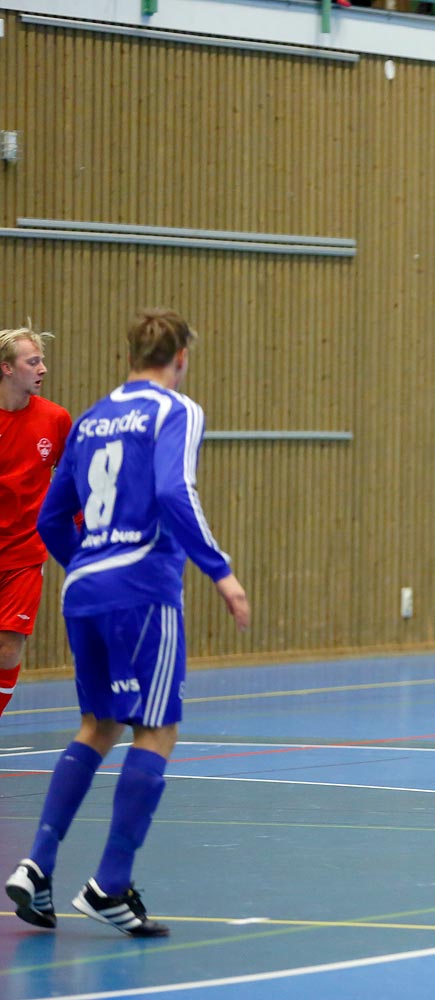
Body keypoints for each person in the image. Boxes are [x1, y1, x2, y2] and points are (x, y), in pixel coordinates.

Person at [5, 308, 251, 937]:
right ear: (181, 356)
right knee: (158, 728)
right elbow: (175, 492)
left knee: (99, 723)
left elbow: (51, 520)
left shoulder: (87, 417)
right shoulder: (177, 409)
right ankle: (110, 884)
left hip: (84, 588)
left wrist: (88, 567)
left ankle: (37, 865)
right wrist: (220, 570)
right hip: (143, 586)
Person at [0, 326, 72, 721]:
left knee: (9, 646)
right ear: (7, 369)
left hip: (25, 553)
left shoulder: (55, 419)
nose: (42, 369)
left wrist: (80, 537)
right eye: (33, 362)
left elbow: (72, 481)